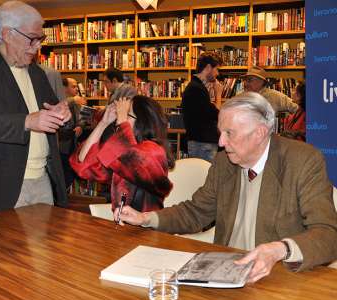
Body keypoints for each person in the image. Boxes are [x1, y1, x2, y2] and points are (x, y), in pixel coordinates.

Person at [115, 92, 337, 283]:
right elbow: (196, 212)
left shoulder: (303, 162)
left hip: (277, 280)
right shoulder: (224, 163)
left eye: (229, 133)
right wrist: (146, 218)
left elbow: (328, 234)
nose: (220, 142)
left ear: (259, 133)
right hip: (225, 276)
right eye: (220, 132)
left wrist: (280, 249)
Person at [0, 0, 71, 212]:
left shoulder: (37, 72)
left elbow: (53, 111)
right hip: (5, 185)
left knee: (45, 246)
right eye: (32, 38)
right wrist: (28, 121)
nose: (38, 46)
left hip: (44, 179)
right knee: (5, 246)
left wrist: (62, 115)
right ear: (8, 34)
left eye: (40, 39)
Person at [70, 95, 174, 212]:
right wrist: (103, 123)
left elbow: (134, 160)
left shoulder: (154, 150)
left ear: (142, 121)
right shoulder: (122, 152)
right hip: (122, 222)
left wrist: (122, 122)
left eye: (126, 114)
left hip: (146, 226)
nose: (120, 117)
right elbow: (84, 164)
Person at [181, 52, 223, 162]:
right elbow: (216, 114)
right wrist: (218, 94)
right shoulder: (197, 88)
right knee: (204, 177)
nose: (217, 74)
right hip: (203, 144)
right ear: (208, 67)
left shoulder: (196, 87)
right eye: (216, 69)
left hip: (201, 143)